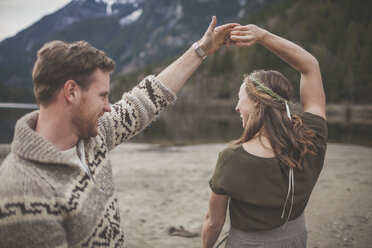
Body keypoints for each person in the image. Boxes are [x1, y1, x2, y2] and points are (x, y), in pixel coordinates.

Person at [0, 17, 238, 247]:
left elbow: (146, 99)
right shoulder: (22, 192)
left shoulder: (93, 137)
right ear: (71, 92)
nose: (108, 106)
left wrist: (201, 50)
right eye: (102, 96)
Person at [202, 24, 327, 248]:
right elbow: (310, 67)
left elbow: (213, 222)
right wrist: (263, 36)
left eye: (240, 98)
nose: (237, 107)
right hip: (296, 239)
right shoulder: (311, 137)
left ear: (257, 101)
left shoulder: (232, 157)